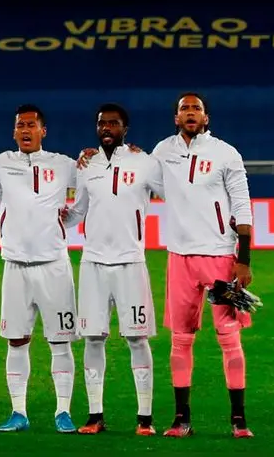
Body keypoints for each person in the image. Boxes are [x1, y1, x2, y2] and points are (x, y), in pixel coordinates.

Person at [149, 93, 254, 438]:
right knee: (180, 340)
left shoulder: (226, 153)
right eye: (184, 109)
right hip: (179, 257)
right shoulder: (163, 152)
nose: (190, 113)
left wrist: (243, 259)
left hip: (221, 258)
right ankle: (181, 419)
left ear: (206, 117)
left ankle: (239, 420)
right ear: (176, 117)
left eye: (196, 108)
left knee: (229, 338)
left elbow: (243, 205)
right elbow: (145, 182)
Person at [62, 104, 163, 436]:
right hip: (93, 263)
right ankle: (95, 416)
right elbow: (77, 212)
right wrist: (50, 215)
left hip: (131, 262)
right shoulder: (86, 163)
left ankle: (144, 419)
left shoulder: (144, 162)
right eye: (102, 123)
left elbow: (174, 194)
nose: (107, 128)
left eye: (114, 123)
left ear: (126, 128)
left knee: (136, 338)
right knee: (93, 338)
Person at [0, 104, 79, 433]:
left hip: (54, 265)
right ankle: (18, 412)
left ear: (43, 131)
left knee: (60, 342)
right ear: (13, 131)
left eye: (31, 125)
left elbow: (81, 197)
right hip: (16, 267)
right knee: (16, 340)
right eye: (20, 125)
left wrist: (70, 219)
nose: (25, 130)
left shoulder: (65, 165)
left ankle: (62, 411)